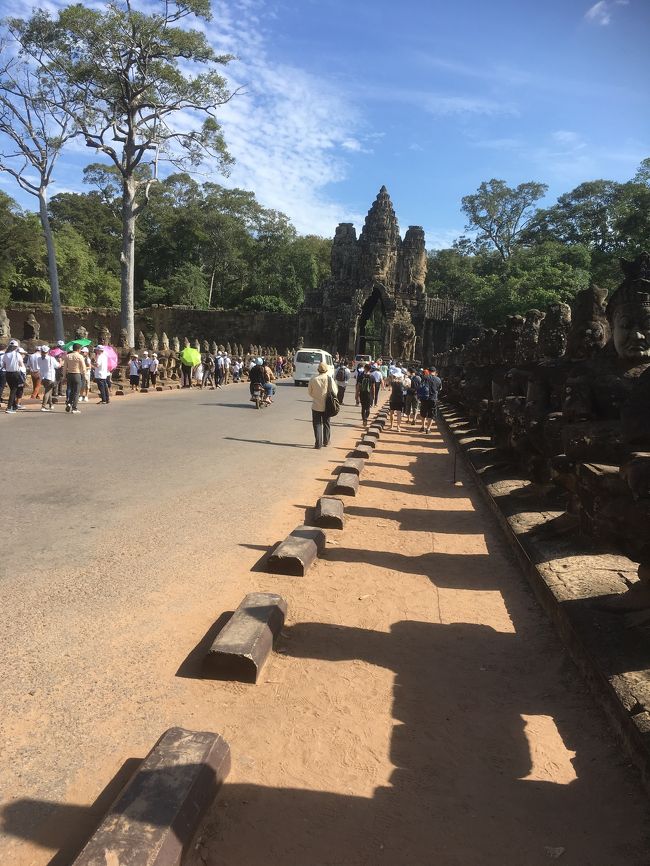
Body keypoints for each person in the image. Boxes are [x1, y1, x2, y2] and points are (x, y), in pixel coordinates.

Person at [308, 361, 333, 449]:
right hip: (327, 405)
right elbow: (335, 392)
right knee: (326, 423)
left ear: (318, 370)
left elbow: (310, 393)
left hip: (316, 405)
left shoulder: (313, 379)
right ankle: (326, 441)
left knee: (317, 424)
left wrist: (317, 397)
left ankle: (318, 444)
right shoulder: (329, 379)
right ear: (326, 370)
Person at [1, 340, 25, 414]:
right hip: (15, 373)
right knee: (14, 390)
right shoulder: (17, 354)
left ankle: (14, 406)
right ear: (16, 347)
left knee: (12, 389)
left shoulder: (6, 354)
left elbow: (4, 365)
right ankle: (9, 407)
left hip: (8, 374)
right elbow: (21, 364)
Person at [418, 368, 443, 434]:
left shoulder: (425, 377)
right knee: (431, 414)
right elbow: (440, 388)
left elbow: (420, 387)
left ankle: (422, 426)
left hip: (424, 398)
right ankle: (428, 429)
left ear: (429, 371)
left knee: (423, 413)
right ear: (435, 372)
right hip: (433, 398)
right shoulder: (438, 379)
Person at [62, 343, 85, 413]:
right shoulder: (80, 356)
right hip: (77, 374)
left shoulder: (67, 356)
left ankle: (69, 403)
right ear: (78, 349)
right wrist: (84, 375)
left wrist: (64, 376)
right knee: (76, 392)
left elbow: (64, 367)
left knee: (71, 390)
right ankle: (74, 408)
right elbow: (83, 368)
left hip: (69, 374)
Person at [37, 345, 60, 411]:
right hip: (49, 377)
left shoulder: (39, 358)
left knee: (49, 390)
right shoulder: (51, 358)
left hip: (43, 377)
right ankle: (43, 406)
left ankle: (50, 404)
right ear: (48, 351)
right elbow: (57, 366)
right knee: (47, 391)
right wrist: (60, 362)